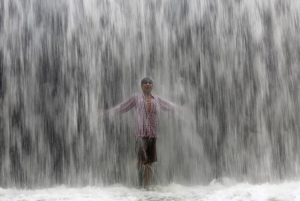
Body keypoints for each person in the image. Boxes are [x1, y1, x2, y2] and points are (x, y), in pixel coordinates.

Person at [107, 77, 176, 188]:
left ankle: (146, 187)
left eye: (150, 83)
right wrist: (109, 112)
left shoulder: (157, 99)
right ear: (141, 85)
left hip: (153, 134)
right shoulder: (136, 98)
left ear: (152, 85)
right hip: (140, 134)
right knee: (141, 161)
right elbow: (123, 107)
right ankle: (137, 184)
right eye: (145, 83)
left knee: (150, 162)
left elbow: (169, 106)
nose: (147, 84)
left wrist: (181, 109)